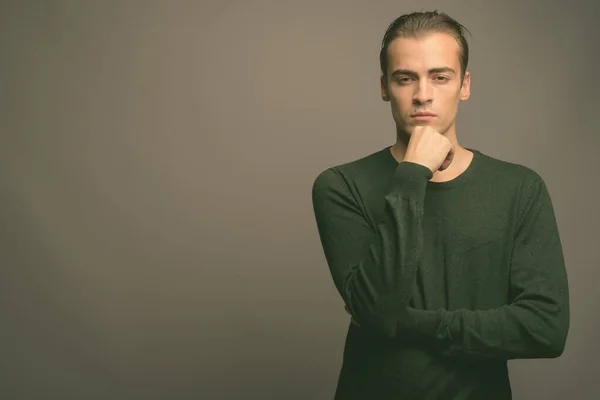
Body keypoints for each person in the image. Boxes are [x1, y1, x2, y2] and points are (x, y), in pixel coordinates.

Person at [311, 10, 570, 400]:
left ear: (464, 85)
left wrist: (413, 324)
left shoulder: (519, 188)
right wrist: (413, 172)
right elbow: (380, 308)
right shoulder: (340, 186)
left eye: (440, 76)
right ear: (385, 87)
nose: (422, 94)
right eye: (405, 78)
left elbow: (545, 328)